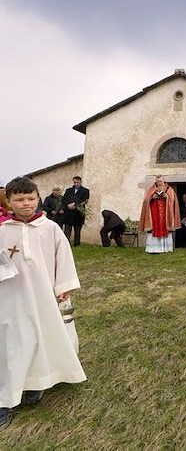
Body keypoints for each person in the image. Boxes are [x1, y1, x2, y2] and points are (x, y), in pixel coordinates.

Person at [0, 177, 86, 431]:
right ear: (9, 201)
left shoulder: (50, 229)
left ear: (38, 198)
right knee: (13, 344)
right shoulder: (3, 231)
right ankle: (6, 399)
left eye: (30, 198)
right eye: (19, 199)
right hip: (11, 299)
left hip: (44, 296)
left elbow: (64, 257)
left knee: (41, 339)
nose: (25, 204)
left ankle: (36, 383)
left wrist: (64, 287)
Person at [138, 175, 181, 254]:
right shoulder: (151, 189)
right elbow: (146, 200)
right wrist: (152, 197)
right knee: (154, 228)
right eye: (158, 181)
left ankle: (165, 248)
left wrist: (167, 197)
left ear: (163, 181)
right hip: (155, 215)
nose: (159, 183)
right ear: (156, 182)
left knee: (165, 228)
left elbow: (173, 200)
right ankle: (153, 249)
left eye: (161, 181)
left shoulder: (169, 190)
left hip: (165, 215)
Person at [62, 176, 90, 246]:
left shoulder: (85, 191)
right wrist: (68, 205)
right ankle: (66, 244)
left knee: (77, 230)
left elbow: (85, 200)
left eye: (77, 182)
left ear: (80, 182)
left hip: (78, 213)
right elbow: (64, 199)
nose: (76, 184)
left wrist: (75, 204)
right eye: (75, 182)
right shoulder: (68, 190)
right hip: (68, 213)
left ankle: (77, 244)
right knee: (67, 230)